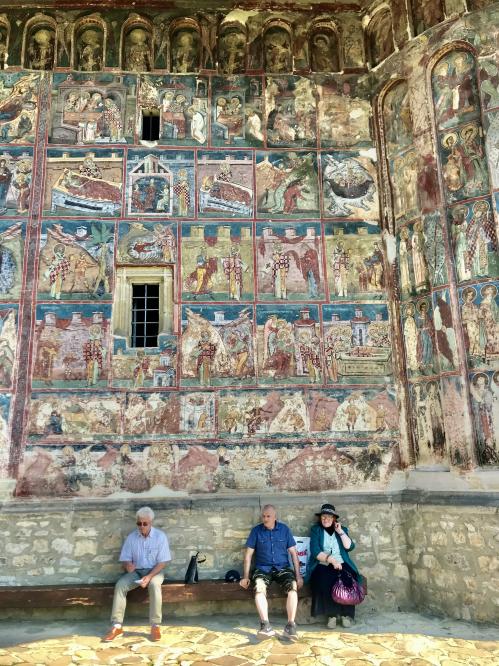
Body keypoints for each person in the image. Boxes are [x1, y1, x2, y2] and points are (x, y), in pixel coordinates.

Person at [103, 506, 171, 642]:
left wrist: (149, 576)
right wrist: (128, 565)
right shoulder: (132, 537)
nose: (141, 526)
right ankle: (117, 625)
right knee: (120, 585)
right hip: (136, 572)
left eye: (144, 523)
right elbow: (125, 558)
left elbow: (163, 562)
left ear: (151, 522)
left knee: (154, 585)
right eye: (139, 523)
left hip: (155, 571)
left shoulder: (160, 537)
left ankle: (155, 626)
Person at [240, 504, 303, 639]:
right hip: (263, 568)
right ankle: (265, 625)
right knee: (259, 588)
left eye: (268, 516)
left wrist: (298, 576)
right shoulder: (256, 531)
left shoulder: (284, 530)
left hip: (282, 568)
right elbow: (248, 555)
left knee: (292, 587)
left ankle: (290, 626)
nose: (265, 519)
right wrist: (245, 577)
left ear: (275, 517)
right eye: (263, 516)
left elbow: (294, 554)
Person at [306, 503, 361, 629]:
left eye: (329, 517)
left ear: (334, 519)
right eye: (324, 517)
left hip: (342, 562)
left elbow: (350, 547)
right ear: (320, 518)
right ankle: (332, 615)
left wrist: (340, 531)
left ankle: (346, 615)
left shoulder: (342, 530)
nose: (326, 519)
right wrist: (330, 559)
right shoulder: (316, 530)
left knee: (348, 578)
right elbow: (315, 551)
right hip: (323, 562)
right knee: (325, 579)